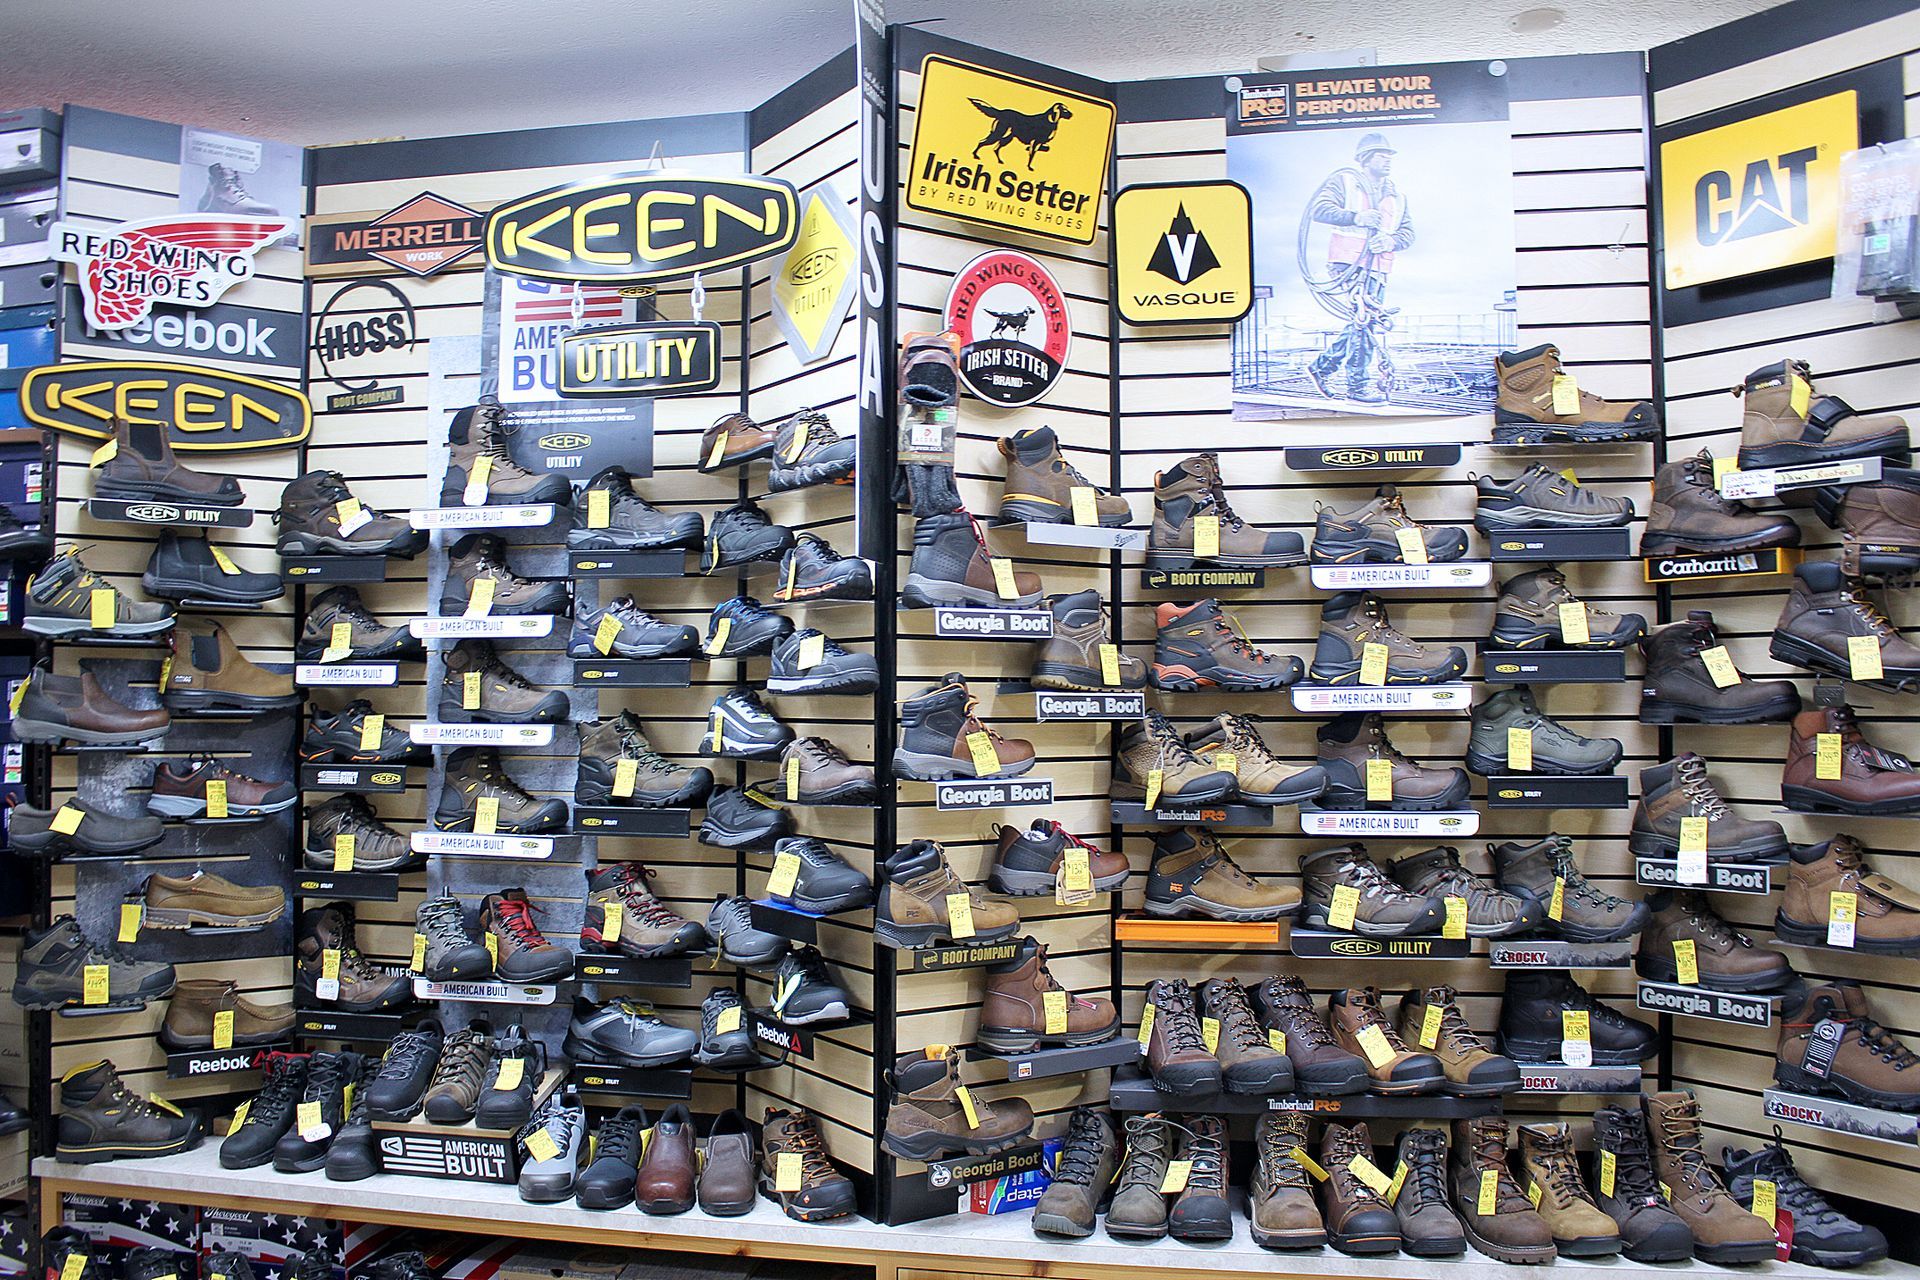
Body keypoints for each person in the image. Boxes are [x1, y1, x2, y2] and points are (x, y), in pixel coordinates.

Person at [1306, 131, 1415, 405]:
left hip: (1378, 267)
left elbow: (1408, 234)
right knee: (1364, 320)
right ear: (1366, 159)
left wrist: (1390, 240)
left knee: (1362, 323)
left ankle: (1323, 368)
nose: (1388, 160)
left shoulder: (1398, 196)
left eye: (1389, 156)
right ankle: (1357, 387)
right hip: (1348, 262)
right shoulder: (1345, 182)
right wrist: (1356, 216)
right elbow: (1318, 210)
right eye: (1381, 155)